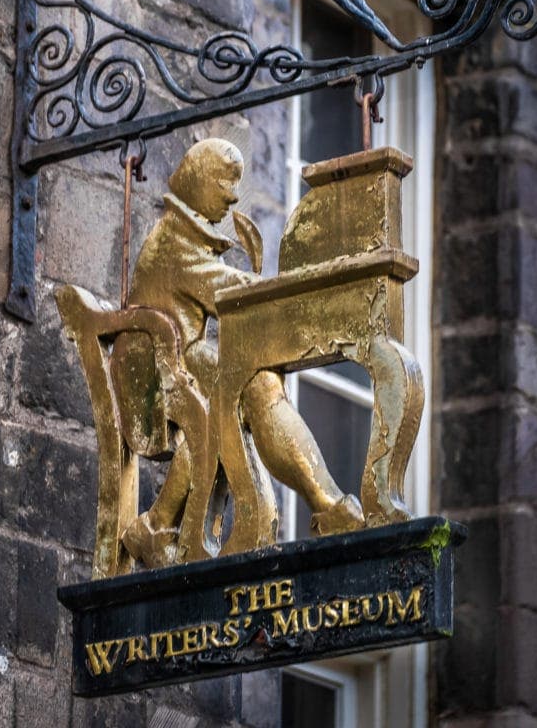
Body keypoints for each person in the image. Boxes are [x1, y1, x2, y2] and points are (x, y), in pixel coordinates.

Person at [112, 138, 364, 566]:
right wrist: (293, 288)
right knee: (253, 385)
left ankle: (159, 524)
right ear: (198, 181)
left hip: (179, 360)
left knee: (257, 385)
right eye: (224, 184)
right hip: (155, 373)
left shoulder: (185, 238)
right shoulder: (174, 242)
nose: (232, 197)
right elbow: (226, 291)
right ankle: (323, 503)